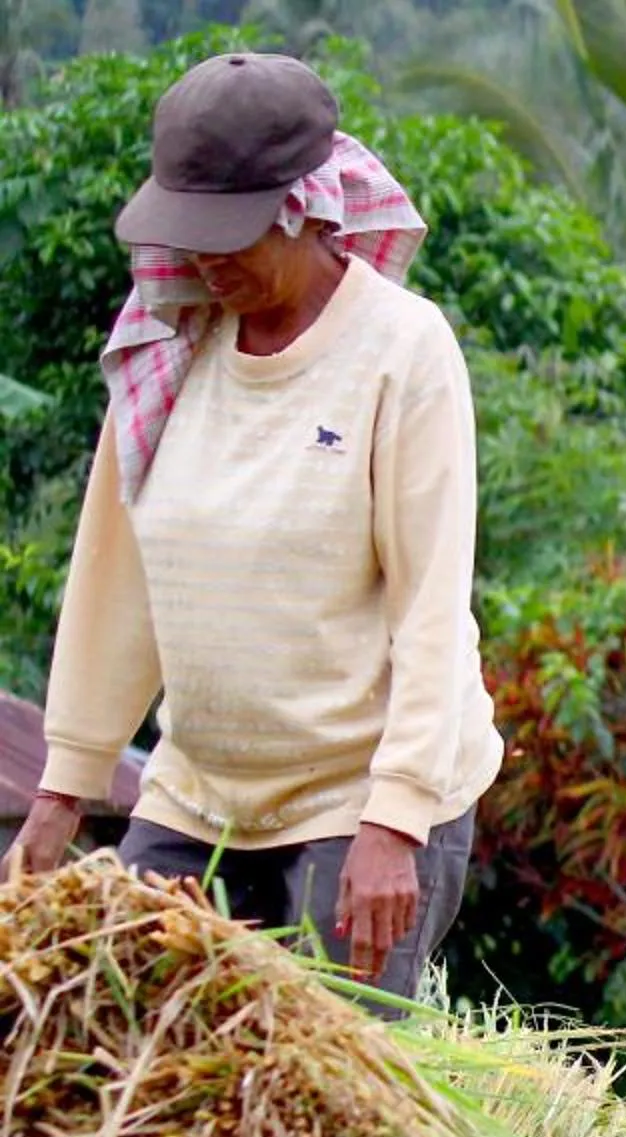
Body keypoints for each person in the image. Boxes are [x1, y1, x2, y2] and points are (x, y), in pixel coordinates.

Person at [1, 51, 500, 1000]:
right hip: (198, 795)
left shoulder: (401, 350)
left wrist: (395, 821)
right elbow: (118, 582)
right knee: (123, 1044)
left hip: (359, 799)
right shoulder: (169, 341)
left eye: (227, 235)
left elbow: (432, 607)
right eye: (188, 234)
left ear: (304, 205)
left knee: (334, 1108)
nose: (203, 260)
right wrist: (64, 789)